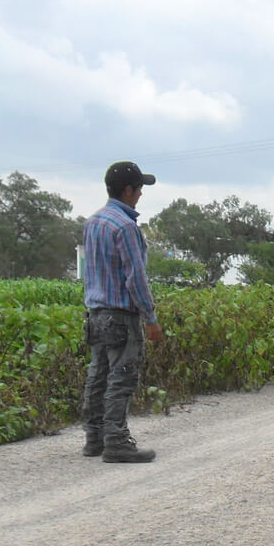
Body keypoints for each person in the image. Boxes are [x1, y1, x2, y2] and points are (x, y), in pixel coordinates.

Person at [80, 161, 164, 462]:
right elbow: (135, 278)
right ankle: (117, 442)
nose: (141, 193)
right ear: (128, 190)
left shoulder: (94, 222)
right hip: (121, 315)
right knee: (122, 377)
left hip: (95, 313)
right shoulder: (126, 226)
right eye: (140, 188)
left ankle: (95, 439)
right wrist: (150, 318)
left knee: (98, 376)